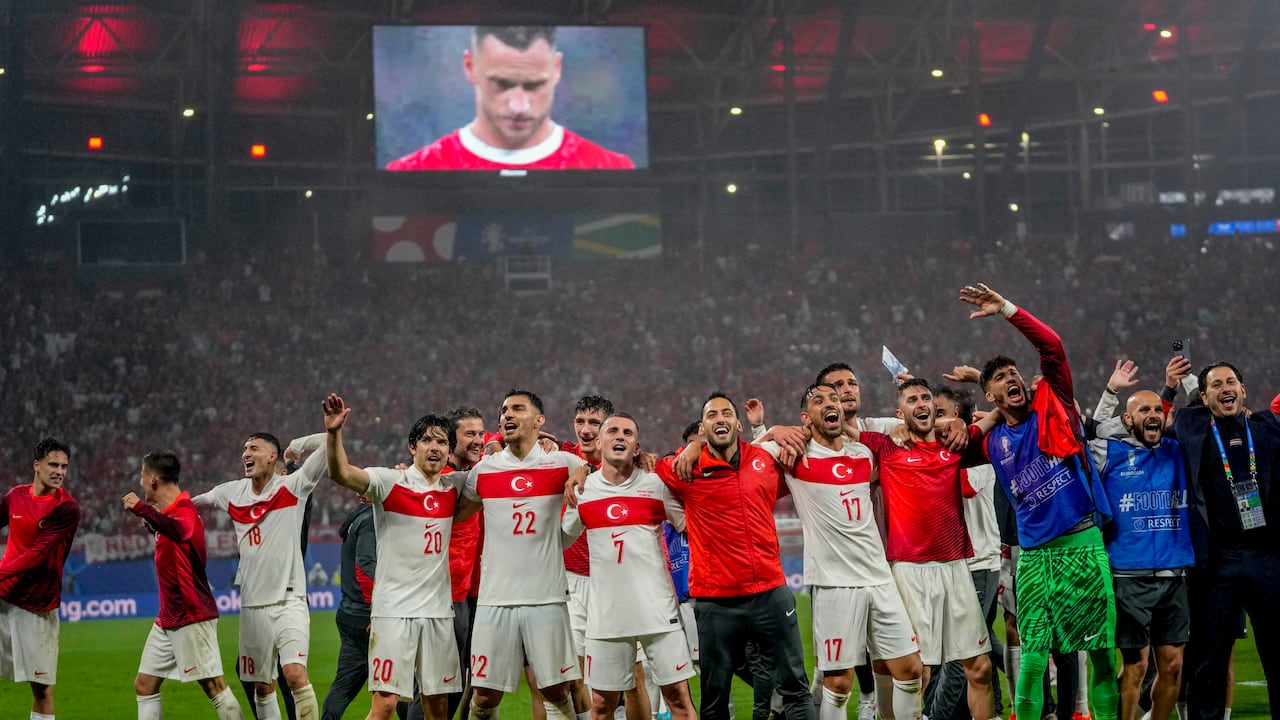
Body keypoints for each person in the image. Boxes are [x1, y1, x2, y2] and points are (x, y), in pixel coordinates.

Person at [960, 282, 1118, 720]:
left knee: (1102, 654)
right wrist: (986, 414)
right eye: (999, 378)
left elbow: (1052, 345)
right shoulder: (992, 442)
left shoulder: (1058, 405)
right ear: (989, 395)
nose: (1011, 378)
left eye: (1014, 373)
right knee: (1031, 661)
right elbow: (954, 447)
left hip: (1082, 546)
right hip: (1032, 559)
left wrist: (1006, 309)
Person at [757, 383, 925, 720]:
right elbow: (745, 456)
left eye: (833, 398)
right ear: (806, 417)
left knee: (910, 669)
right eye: (818, 401)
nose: (830, 403)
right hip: (834, 584)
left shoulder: (863, 454)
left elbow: (904, 439)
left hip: (879, 578)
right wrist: (772, 431)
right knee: (838, 680)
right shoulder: (795, 454)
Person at [845, 378, 996, 720]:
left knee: (980, 668)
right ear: (900, 413)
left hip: (955, 568)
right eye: (912, 399)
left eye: (926, 397)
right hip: (908, 572)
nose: (921, 403)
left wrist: (960, 416)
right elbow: (838, 426)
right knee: (915, 672)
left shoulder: (954, 445)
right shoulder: (885, 447)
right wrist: (774, 429)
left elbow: (998, 416)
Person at [658, 392, 814, 720]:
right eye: (712, 415)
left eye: (726, 413)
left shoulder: (764, 458)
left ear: (737, 424)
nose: (720, 419)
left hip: (770, 592)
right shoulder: (686, 468)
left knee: (795, 688)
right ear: (703, 427)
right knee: (715, 698)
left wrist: (776, 428)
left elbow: (804, 437)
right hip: (716, 602)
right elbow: (655, 467)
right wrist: (694, 446)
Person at [324, 394, 461, 720]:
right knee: (385, 704)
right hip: (394, 613)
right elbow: (341, 472)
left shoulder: (454, 488)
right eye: (426, 440)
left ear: (448, 452)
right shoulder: (389, 482)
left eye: (442, 442)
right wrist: (333, 433)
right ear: (412, 447)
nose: (435, 447)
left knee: (438, 707)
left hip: (439, 614)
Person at [452, 389, 587, 720]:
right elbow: (454, 512)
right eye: (503, 411)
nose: (507, 415)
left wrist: (584, 469)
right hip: (495, 599)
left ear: (539, 421)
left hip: (546, 598)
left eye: (517, 409)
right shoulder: (484, 471)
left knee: (556, 689)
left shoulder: (563, 463)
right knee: (483, 696)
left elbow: (601, 475)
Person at [562, 413, 697, 720]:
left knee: (678, 700)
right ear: (599, 442)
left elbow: (691, 524)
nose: (619, 436)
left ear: (637, 446)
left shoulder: (656, 485)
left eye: (627, 432)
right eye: (612, 431)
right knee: (601, 706)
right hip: (607, 617)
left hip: (658, 613)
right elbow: (558, 540)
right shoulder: (583, 491)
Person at [1166, 361, 1280, 719]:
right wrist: (1171, 387)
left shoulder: (1267, 428)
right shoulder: (1190, 426)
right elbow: (1149, 422)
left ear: (1243, 389)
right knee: (1209, 660)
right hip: (1216, 563)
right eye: (1216, 385)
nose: (1225, 388)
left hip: (1267, 557)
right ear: (1204, 397)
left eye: (1231, 382)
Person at [192, 433, 328, 720]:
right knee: (263, 687)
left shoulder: (293, 486)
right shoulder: (231, 491)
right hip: (253, 607)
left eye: (253, 448)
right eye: (244, 449)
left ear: (271, 457)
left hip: (290, 600)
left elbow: (330, 443)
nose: (245, 453)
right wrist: (156, 514)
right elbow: (191, 505)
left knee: (294, 674)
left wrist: (298, 445)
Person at [1088, 373, 1194, 720]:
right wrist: (1111, 392)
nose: (1153, 414)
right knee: (1135, 665)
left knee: (1174, 666)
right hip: (1127, 576)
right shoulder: (1108, 453)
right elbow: (1089, 430)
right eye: (1143, 410)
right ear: (1127, 419)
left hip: (1173, 573)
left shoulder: (1178, 450)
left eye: (1157, 409)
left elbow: (1202, 418)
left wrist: (1183, 385)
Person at [386, 26, 635, 171]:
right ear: (470, 66)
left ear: (557, 68)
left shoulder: (613, 166)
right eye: (502, 85)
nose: (519, 106)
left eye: (534, 85)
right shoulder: (411, 170)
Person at [123, 451, 243, 720]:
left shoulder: (184, 510)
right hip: (168, 617)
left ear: (153, 480)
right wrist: (152, 521)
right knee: (144, 685)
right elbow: (171, 533)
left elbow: (182, 531)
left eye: (142, 476)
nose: (140, 483)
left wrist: (142, 510)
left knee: (214, 686)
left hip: (191, 614)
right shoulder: (166, 515)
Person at [924, 385, 1005, 720]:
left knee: (961, 653)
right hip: (954, 564)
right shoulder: (949, 451)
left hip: (978, 563)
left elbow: (963, 487)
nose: (933, 420)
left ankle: (933, 715)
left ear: (956, 417)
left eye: (939, 413)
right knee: (981, 645)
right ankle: (1006, 706)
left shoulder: (974, 452)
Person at [0, 437, 81, 720]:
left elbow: (36, 555)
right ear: (36, 465)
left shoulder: (66, 508)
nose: (59, 471)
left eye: (64, 466)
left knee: (41, 689)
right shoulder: (15, 496)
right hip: (3, 597)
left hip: (36, 605)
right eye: (53, 464)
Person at [320, 491, 384, 720]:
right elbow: (366, 566)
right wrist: (376, 612)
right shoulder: (371, 520)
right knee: (397, 688)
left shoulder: (356, 517)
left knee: (343, 687)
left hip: (349, 613)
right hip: (367, 616)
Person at [445, 407, 486, 720]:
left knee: (467, 676)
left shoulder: (475, 471)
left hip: (471, 591)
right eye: (469, 434)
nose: (478, 440)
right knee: (442, 683)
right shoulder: (442, 476)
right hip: (445, 593)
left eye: (480, 433)